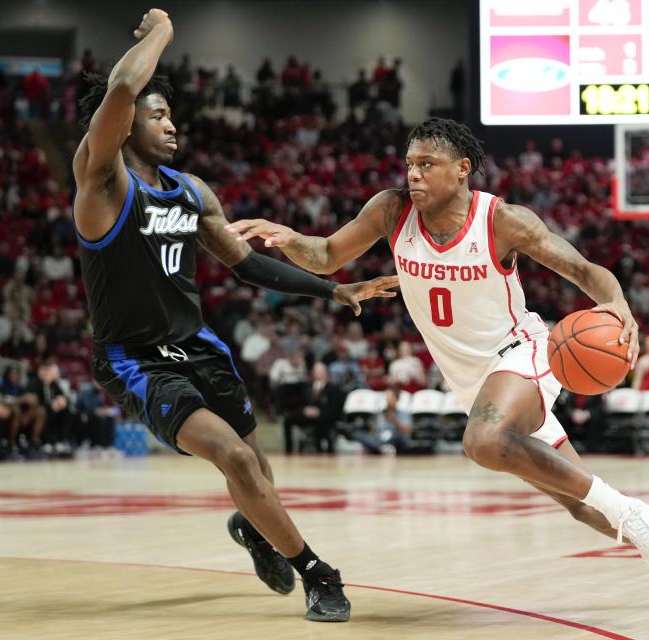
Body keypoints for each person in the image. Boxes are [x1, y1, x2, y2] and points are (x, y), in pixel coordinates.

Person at [228, 117, 649, 612]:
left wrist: (618, 302)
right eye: (409, 164)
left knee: (482, 441)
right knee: (583, 506)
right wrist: (288, 238)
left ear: (463, 168)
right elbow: (327, 255)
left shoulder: (503, 220)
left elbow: (580, 268)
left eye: (428, 164)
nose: (414, 175)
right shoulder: (390, 211)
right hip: (472, 382)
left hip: (522, 351)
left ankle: (638, 515)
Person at [72, 9, 396, 622]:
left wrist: (333, 291)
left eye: (171, 115)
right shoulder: (102, 184)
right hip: (134, 359)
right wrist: (163, 32)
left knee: (259, 475)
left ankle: (254, 530)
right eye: (158, 114)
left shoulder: (191, 192)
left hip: (197, 346)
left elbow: (247, 266)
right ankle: (319, 575)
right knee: (240, 460)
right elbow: (119, 89)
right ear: (128, 123)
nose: (173, 125)